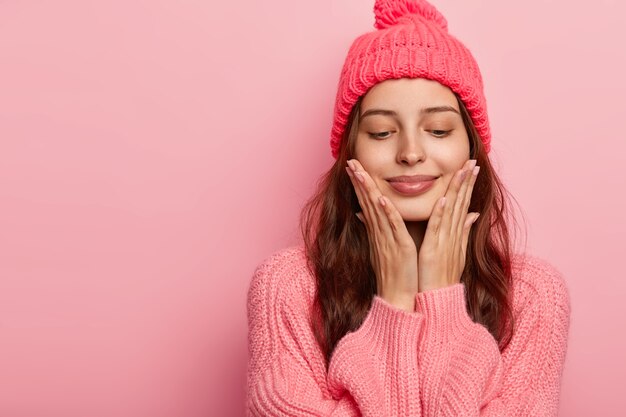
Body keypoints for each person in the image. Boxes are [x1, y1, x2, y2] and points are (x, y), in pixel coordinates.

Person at [246, 0, 571, 415]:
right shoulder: (287, 289)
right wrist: (394, 306)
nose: (411, 153)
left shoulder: (532, 297)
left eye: (438, 129)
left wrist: (442, 301)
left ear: (471, 146)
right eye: (382, 132)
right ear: (350, 150)